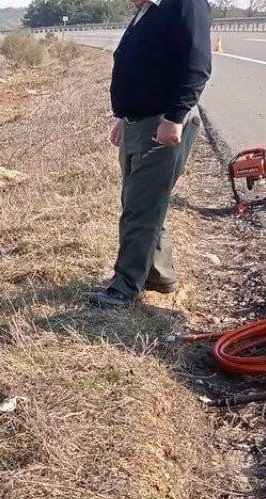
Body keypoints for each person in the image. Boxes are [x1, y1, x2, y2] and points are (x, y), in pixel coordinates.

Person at [86, 0, 211, 308]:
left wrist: (175, 116)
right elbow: (144, 68)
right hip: (137, 123)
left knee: (140, 209)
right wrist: (123, 117)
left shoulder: (185, 4)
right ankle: (160, 275)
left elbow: (197, 65)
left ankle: (124, 288)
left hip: (162, 121)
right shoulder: (145, 10)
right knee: (141, 201)